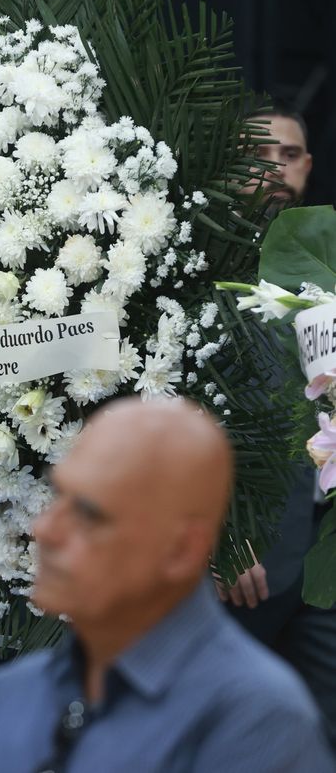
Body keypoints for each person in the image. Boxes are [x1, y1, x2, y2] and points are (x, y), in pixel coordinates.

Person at [0, 397, 333, 772]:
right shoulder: (9, 695)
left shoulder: (254, 719)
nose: (45, 530)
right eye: (58, 496)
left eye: (89, 514)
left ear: (182, 550)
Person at [220, 103, 336, 754]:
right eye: (259, 156)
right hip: (242, 564)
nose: (275, 169)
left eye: (288, 155)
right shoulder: (196, 264)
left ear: (309, 166)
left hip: (325, 562)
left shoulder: (331, 262)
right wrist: (219, 532)